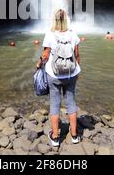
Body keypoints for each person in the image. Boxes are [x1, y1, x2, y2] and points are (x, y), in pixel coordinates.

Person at [36, 9, 81, 147]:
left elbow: (45, 55)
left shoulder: (50, 34)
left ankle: (55, 137)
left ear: (54, 20)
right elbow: (77, 55)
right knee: (71, 103)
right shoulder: (73, 34)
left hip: (54, 75)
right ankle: (74, 135)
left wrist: (38, 64)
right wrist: (77, 72)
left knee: (54, 104)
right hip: (70, 73)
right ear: (66, 20)